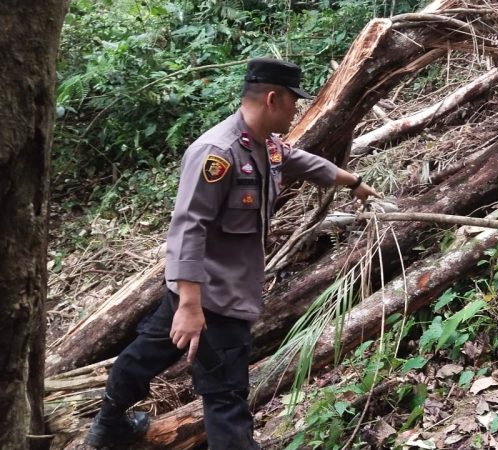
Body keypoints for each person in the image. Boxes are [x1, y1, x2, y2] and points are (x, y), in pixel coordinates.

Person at [84, 58, 380, 449]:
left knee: (144, 356)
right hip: (211, 298)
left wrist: (353, 182)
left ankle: (108, 426)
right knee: (225, 395)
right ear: (272, 99)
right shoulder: (216, 152)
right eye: (294, 102)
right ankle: (113, 426)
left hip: (208, 290)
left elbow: (299, 161)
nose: (296, 111)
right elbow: (188, 229)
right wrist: (191, 307)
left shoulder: (260, 145)